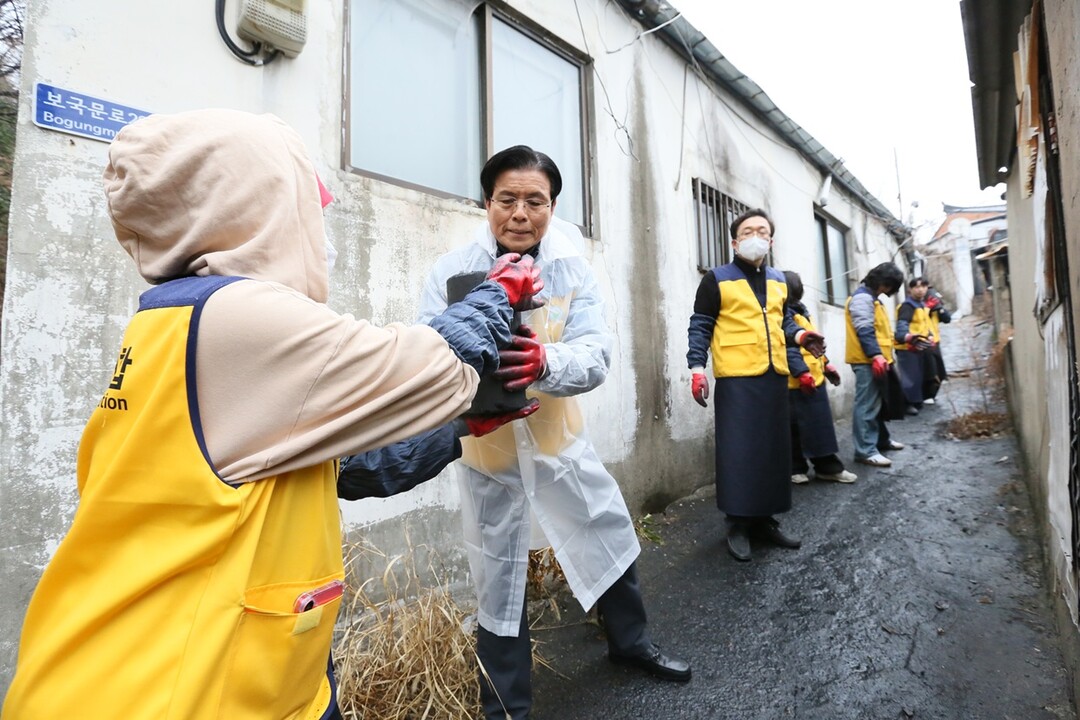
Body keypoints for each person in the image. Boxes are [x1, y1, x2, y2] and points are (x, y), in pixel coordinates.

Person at [1, 109, 545, 720]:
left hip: (244, 676)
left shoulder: (173, 322)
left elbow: (345, 468)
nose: (321, 226)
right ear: (250, 209)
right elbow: (434, 361)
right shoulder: (234, 316)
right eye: (306, 205)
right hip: (171, 691)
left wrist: (460, 430)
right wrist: (501, 290)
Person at [417, 145, 690, 720]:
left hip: (559, 445)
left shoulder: (570, 268)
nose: (520, 213)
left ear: (552, 204)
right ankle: (504, 706)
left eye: (534, 200)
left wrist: (545, 363)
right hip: (487, 456)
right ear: (485, 202)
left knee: (606, 533)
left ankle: (630, 643)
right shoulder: (449, 271)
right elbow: (424, 350)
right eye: (507, 199)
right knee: (498, 577)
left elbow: (595, 353)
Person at [686, 209, 827, 562]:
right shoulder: (717, 279)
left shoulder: (779, 280)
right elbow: (701, 323)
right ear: (735, 242)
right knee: (739, 451)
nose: (755, 236)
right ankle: (738, 522)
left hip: (774, 374)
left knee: (772, 450)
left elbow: (784, 322)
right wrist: (696, 367)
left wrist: (802, 335)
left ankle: (766, 519)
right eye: (748, 231)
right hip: (737, 377)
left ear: (770, 240)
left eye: (762, 231)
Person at [782, 271, 858, 485]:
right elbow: (788, 348)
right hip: (795, 383)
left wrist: (826, 364)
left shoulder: (803, 312)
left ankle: (827, 467)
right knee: (795, 429)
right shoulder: (781, 316)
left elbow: (814, 345)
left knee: (819, 427)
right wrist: (801, 372)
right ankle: (796, 468)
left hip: (813, 380)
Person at [844, 262, 907, 468]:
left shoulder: (872, 299)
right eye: (891, 286)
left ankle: (880, 440)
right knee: (867, 404)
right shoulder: (863, 299)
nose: (890, 291)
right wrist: (875, 355)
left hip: (876, 359)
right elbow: (865, 330)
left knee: (878, 402)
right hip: (867, 361)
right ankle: (865, 450)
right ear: (885, 284)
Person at [894, 277, 941, 415]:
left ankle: (916, 401)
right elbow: (902, 325)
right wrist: (905, 336)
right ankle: (907, 404)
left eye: (923, 286)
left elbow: (924, 324)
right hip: (908, 346)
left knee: (919, 375)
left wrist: (930, 334)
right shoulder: (908, 306)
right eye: (916, 287)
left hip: (920, 345)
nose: (920, 290)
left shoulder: (921, 305)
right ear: (910, 289)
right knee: (910, 377)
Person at [924, 284, 952, 395]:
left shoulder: (935, 310)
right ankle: (928, 395)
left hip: (935, 341)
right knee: (930, 371)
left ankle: (932, 394)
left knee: (939, 371)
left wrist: (940, 309)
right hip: (924, 342)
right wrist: (926, 308)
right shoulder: (919, 308)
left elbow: (947, 319)